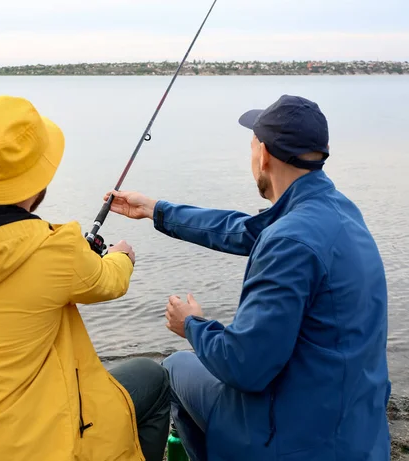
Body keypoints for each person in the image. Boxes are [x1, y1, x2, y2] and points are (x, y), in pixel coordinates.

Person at [105, 95, 390, 460]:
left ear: (265, 155)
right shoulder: (337, 211)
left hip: (298, 439)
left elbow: (245, 368)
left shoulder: (288, 242)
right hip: (357, 429)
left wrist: (192, 325)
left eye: (252, 146)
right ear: (322, 152)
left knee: (174, 369)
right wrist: (155, 210)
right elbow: (241, 229)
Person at [0, 95, 170, 461]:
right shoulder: (54, 251)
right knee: (153, 379)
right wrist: (122, 256)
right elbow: (109, 281)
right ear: (39, 179)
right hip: (25, 449)